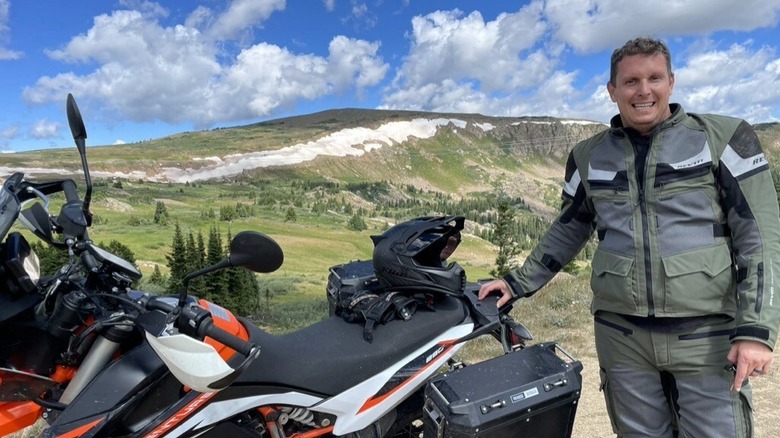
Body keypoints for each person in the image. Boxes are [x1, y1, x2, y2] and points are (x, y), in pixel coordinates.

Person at [478, 37, 780, 437]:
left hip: (707, 336)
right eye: (631, 81)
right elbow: (568, 228)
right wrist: (518, 283)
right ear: (612, 91)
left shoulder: (723, 139)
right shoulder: (588, 156)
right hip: (622, 337)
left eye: (654, 78)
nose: (644, 90)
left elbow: (759, 237)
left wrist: (756, 331)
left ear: (671, 82)